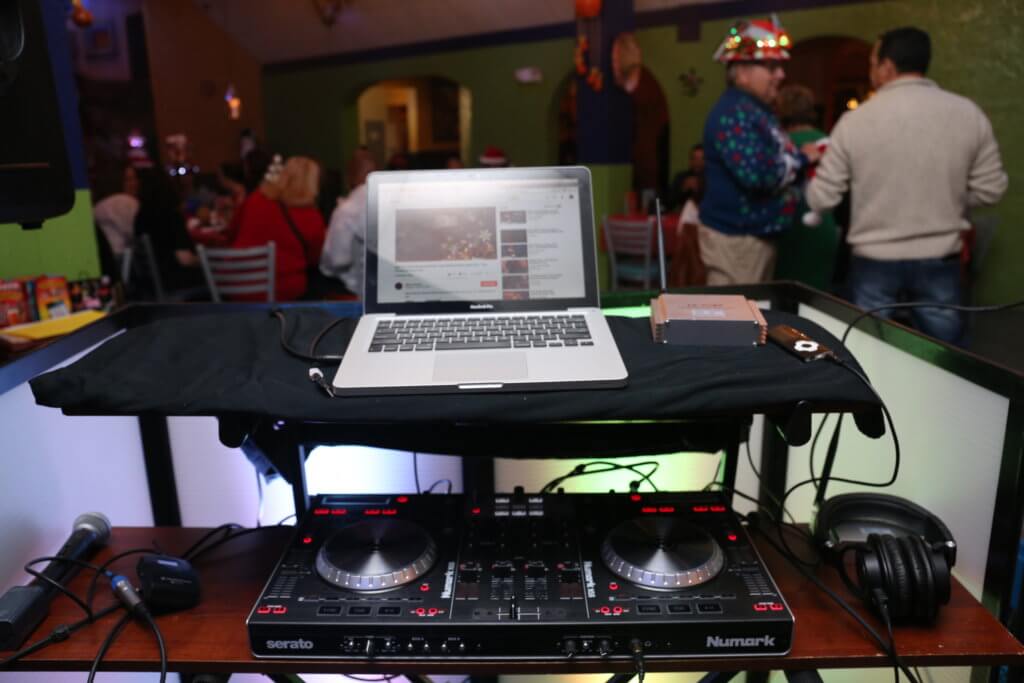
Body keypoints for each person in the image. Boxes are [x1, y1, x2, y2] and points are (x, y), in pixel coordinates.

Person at [805, 27, 1008, 344]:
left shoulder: (856, 121)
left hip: (872, 261)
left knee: (865, 349)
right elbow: (991, 189)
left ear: (887, 67)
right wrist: (948, 196)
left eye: (872, 63)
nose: (871, 71)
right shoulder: (967, 113)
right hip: (940, 257)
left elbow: (822, 197)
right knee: (947, 357)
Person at [698, 17, 809, 285]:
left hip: (752, 241)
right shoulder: (734, 113)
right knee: (735, 323)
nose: (780, 75)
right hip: (738, 245)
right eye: (771, 66)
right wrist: (802, 158)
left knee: (751, 320)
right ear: (742, 72)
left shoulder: (754, 109)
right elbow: (759, 174)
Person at [772, 83, 840, 292]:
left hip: (786, 228)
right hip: (825, 226)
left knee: (783, 297)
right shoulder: (832, 143)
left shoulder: (780, 145)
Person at [231, 155, 326, 301]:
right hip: (284, 292)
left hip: (236, 286)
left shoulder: (255, 200)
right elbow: (315, 258)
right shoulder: (311, 216)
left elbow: (231, 234)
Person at [133, 167, 204, 292]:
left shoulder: (140, 217)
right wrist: (208, 261)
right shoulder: (170, 216)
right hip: (176, 281)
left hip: (154, 284)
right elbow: (185, 259)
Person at [320, 156, 376, 298]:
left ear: (350, 178)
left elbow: (336, 261)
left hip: (356, 293)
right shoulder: (393, 203)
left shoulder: (346, 210)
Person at [93, 165, 140, 258]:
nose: (134, 183)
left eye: (135, 179)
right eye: (128, 179)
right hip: (123, 257)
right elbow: (135, 233)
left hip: (102, 256)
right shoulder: (127, 201)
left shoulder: (98, 206)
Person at [666, 144, 705, 212]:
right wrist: (683, 188)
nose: (698, 162)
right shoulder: (681, 177)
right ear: (690, 160)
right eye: (694, 158)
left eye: (701, 159)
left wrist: (700, 188)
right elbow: (668, 204)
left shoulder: (712, 179)